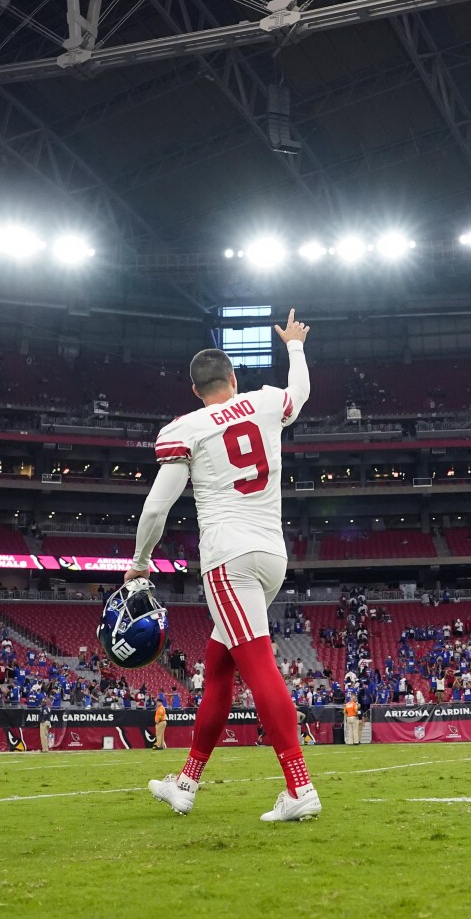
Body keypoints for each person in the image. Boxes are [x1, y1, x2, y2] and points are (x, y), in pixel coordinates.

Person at [128, 309, 319, 822]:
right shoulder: (261, 401)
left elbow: (155, 507)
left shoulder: (186, 427)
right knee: (218, 668)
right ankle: (186, 783)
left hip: (227, 558)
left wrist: (140, 562)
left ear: (195, 390)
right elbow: (298, 393)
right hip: (271, 556)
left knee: (257, 667)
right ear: (233, 379)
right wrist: (295, 346)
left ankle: (299, 787)